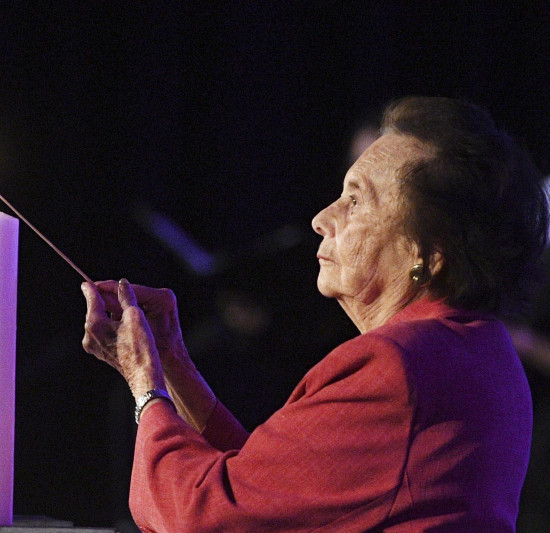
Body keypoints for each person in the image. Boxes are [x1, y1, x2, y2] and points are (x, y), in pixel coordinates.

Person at [81, 96, 547, 532]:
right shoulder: (479, 349)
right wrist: (172, 363)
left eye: (356, 200)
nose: (321, 218)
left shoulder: (395, 368)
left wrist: (145, 385)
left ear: (429, 251)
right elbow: (268, 490)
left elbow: (201, 517)